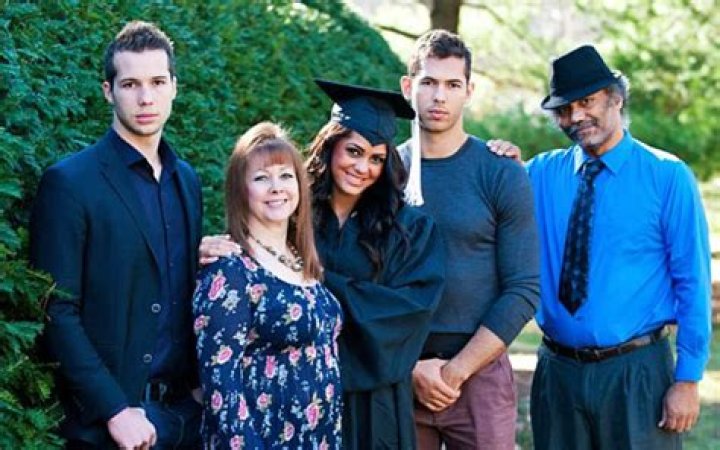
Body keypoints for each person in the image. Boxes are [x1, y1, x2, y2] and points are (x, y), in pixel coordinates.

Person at [495, 44, 711, 449]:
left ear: (616, 98)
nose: (576, 116)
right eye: (564, 109)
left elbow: (692, 281)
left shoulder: (667, 176)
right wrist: (495, 159)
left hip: (637, 374)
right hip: (558, 374)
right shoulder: (538, 175)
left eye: (586, 102)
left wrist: (687, 378)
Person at [29, 21, 202, 448]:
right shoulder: (70, 182)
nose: (146, 98)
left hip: (184, 417)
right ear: (108, 91)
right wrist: (114, 409)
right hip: (113, 427)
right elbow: (55, 310)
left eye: (157, 82)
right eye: (130, 84)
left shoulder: (187, 180)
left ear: (174, 87)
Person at [398, 29, 540, 450]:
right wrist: (410, 367)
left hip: (479, 374)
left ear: (469, 91)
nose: (439, 96)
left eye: (452, 84)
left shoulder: (500, 172)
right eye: (428, 82)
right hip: (400, 370)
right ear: (407, 87)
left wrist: (456, 370)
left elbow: (524, 288)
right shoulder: (383, 172)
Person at [307, 80, 446, 449]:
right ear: (330, 146)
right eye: (353, 151)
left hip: (375, 400)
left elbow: (408, 312)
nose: (362, 167)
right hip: (302, 388)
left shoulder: (409, 229)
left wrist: (319, 280)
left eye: (376, 158)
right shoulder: (293, 214)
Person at [193, 122, 343, 449]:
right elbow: (221, 386)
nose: (277, 187)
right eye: (261, 178)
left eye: (286, 175)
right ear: (240, 190)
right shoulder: (230, 270)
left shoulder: (302, 262)